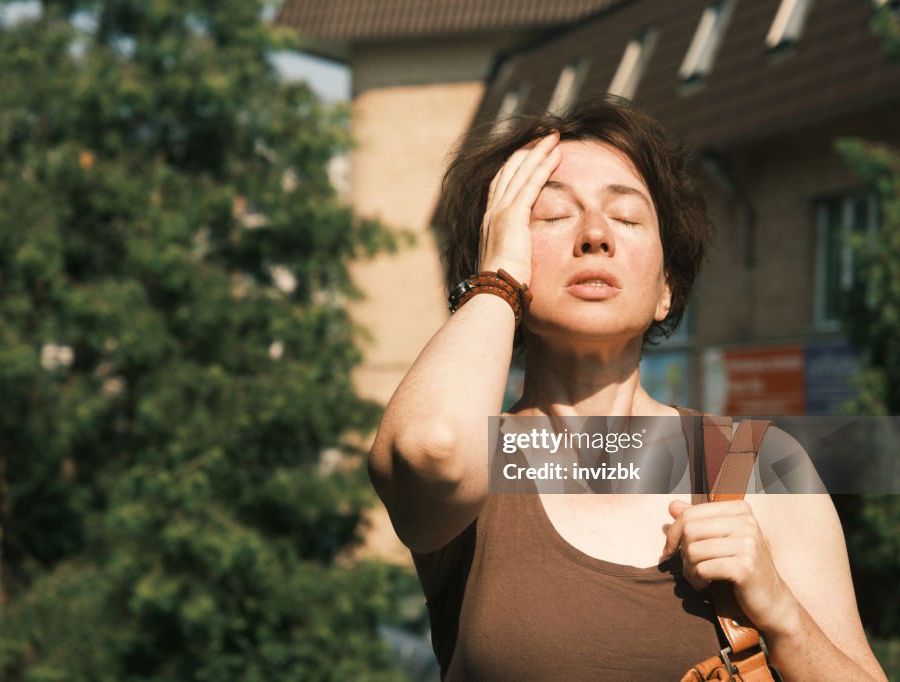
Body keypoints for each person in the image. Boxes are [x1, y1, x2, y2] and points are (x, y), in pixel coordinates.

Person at [367, 95, 887, 681]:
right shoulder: (477, 462)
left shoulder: (760, 467)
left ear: (667, 287)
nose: (594, 236)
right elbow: (430, 448)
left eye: (628, 218)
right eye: (552, 216)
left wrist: (783, 615)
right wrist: (497, 282)